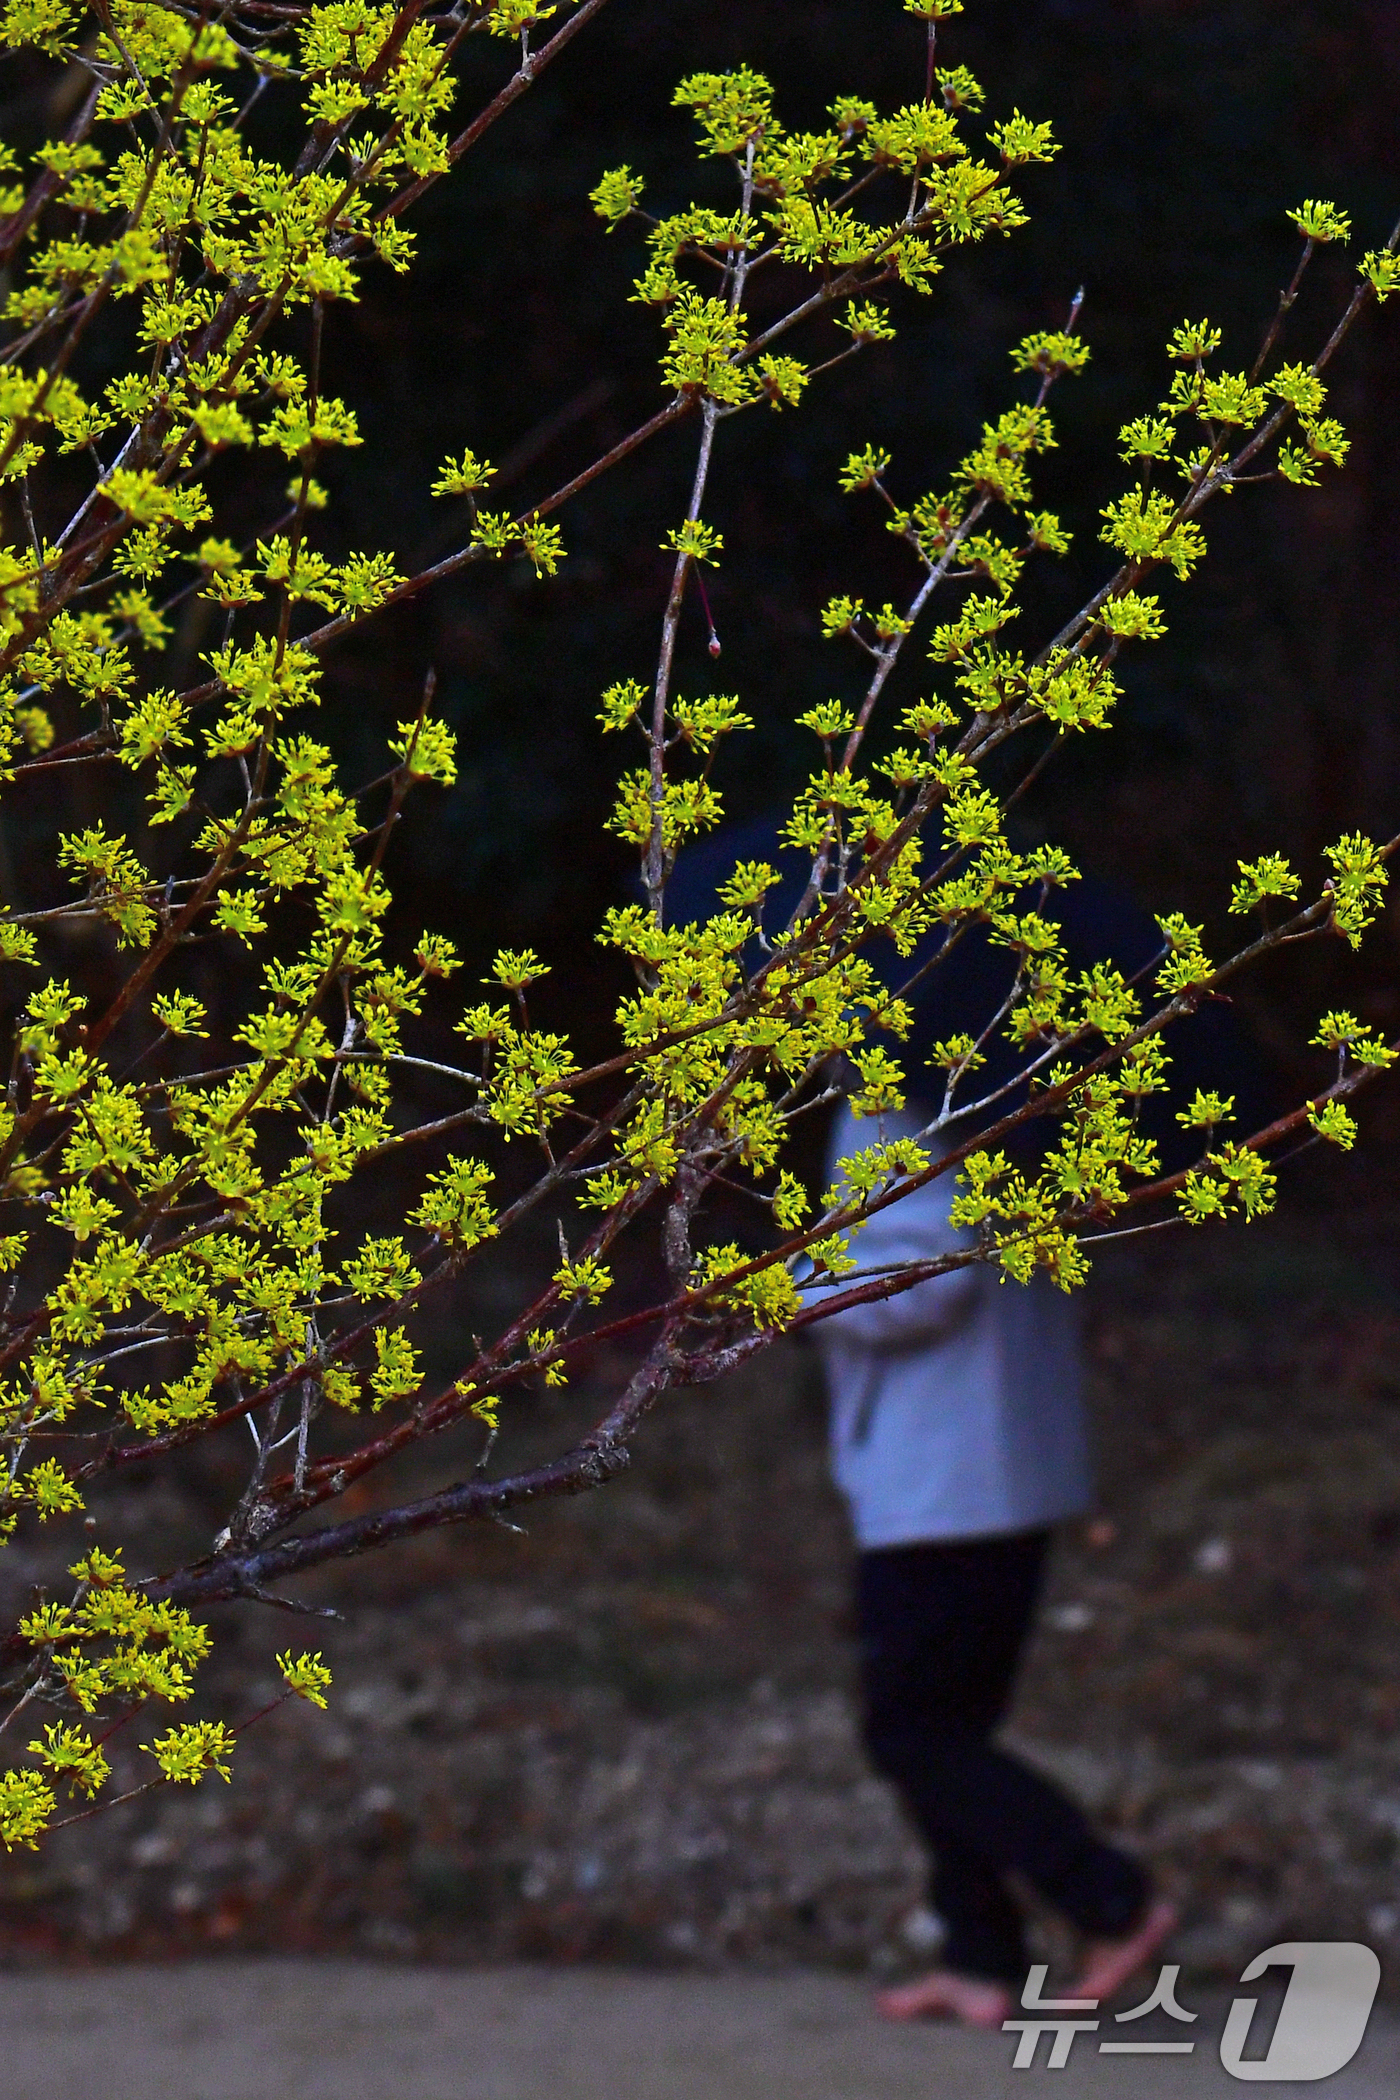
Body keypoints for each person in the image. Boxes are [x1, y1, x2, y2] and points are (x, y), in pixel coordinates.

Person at [810, 1097, 1177, 2027]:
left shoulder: (895, 1101)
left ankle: (1110, 1897)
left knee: (912, 1732)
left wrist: (797, 1288)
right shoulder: (1024, 1086)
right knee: (947, 1727)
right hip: (1004, 1460)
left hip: (942, 1473)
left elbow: (930, 1281)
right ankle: (981, 1959)